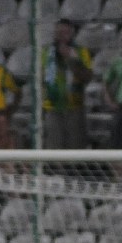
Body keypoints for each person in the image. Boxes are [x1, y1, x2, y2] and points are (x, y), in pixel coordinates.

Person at [41, 18, 93, 149]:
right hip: (52, 106)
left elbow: (87, 77)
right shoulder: (46, 53)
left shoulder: (81, 52)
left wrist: (72, 59)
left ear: (71, 34)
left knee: (75, 146)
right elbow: (41, 77)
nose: (62, 37)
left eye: (65, 33)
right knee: (53, 145)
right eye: (59, 33)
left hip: (74, 106)